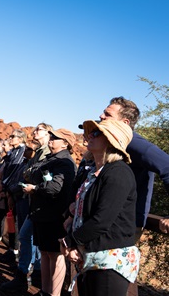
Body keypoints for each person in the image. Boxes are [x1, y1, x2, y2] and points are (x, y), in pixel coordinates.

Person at [60, 119, 140, 296]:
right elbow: (83, 212)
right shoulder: (95, 172)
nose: (89, 136)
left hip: (109, 261)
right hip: (92, 255)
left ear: (112, 140)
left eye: (96, 133)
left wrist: (70, 241)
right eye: (89, 133)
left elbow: (102, 220)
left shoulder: (118, 172)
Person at [98, 96, 169, 237]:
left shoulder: (134, 143)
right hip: (103, 221)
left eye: (108, 114)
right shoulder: (110, 143)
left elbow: (167, 166)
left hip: (124, 226)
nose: (101, 116)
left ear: (125, 122)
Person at [23, 128, 77, 296]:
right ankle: (45, 291)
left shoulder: (64, 162)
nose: (51, 139)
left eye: (55, 137)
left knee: (55, 255)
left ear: (65, 143)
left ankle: (54, 293)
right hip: (42, 213)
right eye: (51, 136)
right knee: (46, 253)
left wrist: (35, 189)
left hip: (55, 216)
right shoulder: (51, 159)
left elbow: (55, 187)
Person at [1, 123, 52, 293]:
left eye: (39, 130)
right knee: (28, 237)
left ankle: (31, 275)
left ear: (48, 134)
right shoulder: (37, 153)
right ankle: (26, 275)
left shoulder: (48, 154)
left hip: (39, 203)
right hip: (31, 200)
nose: (35, 132)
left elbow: (37, 176)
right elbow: (27, 173)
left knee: (33, 240)